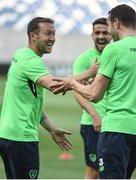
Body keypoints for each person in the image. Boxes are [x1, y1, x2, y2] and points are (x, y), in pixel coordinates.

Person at [51, 4, 136, 179]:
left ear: (116, 23)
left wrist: (72, 82)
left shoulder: (114, 49)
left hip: (117, 130)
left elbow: (94, 95)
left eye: (108, 25)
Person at [0, 17, 73, 179]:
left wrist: (52, 129)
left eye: (54, 33)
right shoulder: (31, 60)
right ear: (33, 36)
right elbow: (54, 86)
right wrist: (89, 75)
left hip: (5, 135)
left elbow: (32, 104)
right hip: (21, 139)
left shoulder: (21, 53)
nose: (52, 38)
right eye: (48, 33)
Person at [72, 17, 111, 179]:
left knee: (112, 170)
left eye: (105, 32)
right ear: (92, 35)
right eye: (97, 32)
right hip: (92, 125)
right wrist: (95, 116)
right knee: (94, 171)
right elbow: (76, 91)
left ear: (112, 34)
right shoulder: (84, 58)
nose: (101, 36)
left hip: (115, 123)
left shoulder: (115, 54)